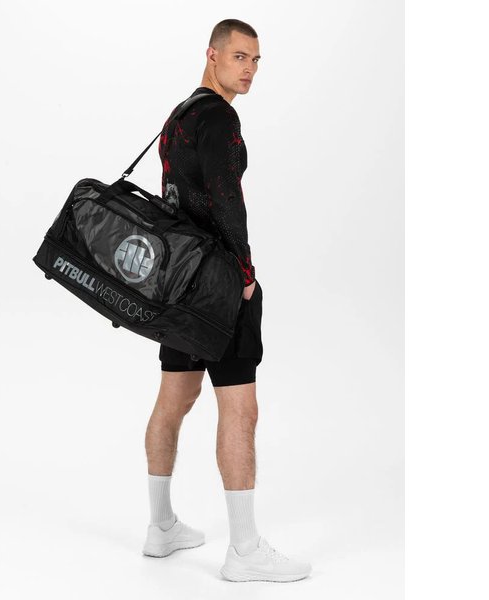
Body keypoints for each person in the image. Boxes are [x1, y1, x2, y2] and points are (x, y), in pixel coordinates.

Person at [142, 20, 312, 583]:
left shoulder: (180, 115)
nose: (250, 69)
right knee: (241, 409)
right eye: (240, 56)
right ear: (212, 55)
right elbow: (225, 199)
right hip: (216, 284)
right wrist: (244, 275)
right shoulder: (219, 117)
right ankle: (244, 551)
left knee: (174, 400)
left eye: (257, 60)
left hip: (177, 284)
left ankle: (161, 527)